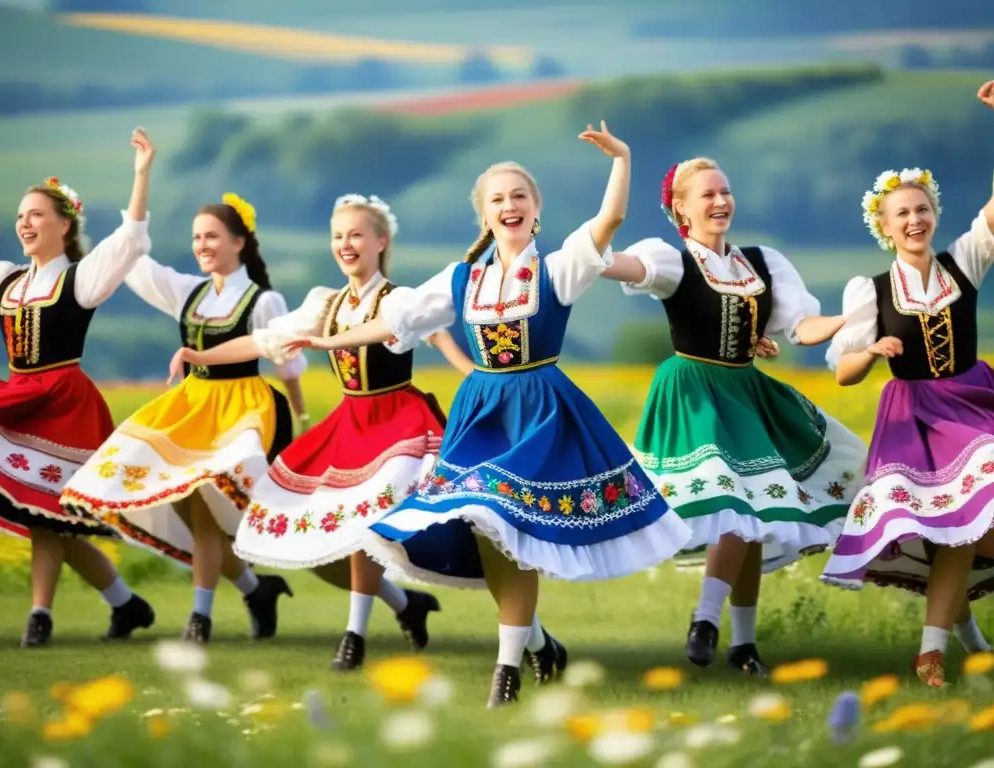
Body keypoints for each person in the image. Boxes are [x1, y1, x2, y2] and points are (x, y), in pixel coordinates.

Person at [281, 122, 692, 707]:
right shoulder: (462, 278)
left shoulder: (557, 269)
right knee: (486, 529)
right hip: (482, 415)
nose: (509, 205)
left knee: (505, 520)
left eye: (518, 196)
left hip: (540, 414)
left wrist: (621, 160)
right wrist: (330, 343)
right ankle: (540, 643)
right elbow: (399, 321)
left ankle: (506, 672)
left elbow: (609, 224)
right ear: (485, 216)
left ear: (535, 208)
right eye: (497, 199)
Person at [166, 192, 475, 670]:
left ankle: (354, 637)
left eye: (355, 234)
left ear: (380, 241)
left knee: (370, 520)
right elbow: (262, 340)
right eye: (338, 236)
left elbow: (435, 329)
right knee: (344, 524)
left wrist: (472, 375)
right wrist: (199, 355)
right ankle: (400, 610)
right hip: (352, 424)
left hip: (398, 422)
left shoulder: (400, 299)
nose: (345, 244)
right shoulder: (324, 304)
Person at [601, 157, 868, 676]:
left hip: (747, 394)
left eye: (725, 191)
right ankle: (706, 620)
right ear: (680, 207)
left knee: (756, 513)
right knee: (733, 502)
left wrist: (852, 318)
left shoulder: (763, 263)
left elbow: (804, 327)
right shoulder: (673, 260)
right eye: (707, 195)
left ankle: (741, 644)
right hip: (694, 394)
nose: (721, 201)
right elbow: (625, 267)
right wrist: (593, 252)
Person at [60, 192, 305, 644]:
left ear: (239, 242)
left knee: (204, 509)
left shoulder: (262, 300)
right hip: (192, 407)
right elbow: (133, 259)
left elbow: (287, 363)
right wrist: (137, 181)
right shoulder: (187, 291)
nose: (202, 244)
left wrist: (302, 414)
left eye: (212, 236)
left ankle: (200, 617)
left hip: (241, 410)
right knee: (187, 509)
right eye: (197, 237)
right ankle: (256, 589)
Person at [820, 79, 994, 687]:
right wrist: (870, 350)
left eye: (922, 210)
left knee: (969, 525)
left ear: (934, 216)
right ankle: (935, 654)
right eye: (903, 214)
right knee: (956, 525)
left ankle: (950, 639)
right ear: (885, 227)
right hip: (917, 413)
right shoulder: (869, 290)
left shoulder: (964, 261)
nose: (915, 219)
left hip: (974, 397)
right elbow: (842, 372)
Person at [0, 129, 157, 647]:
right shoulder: (6, 281)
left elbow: (128, 243)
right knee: (51, 519)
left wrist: (140, 176)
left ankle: (40, 616)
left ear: (63, 223)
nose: (24, 223)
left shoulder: (79, 279)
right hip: (20, 399)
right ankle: (127, 603)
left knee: (49, 519)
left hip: (64, 405)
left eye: (35, 214)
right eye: (20, 216)